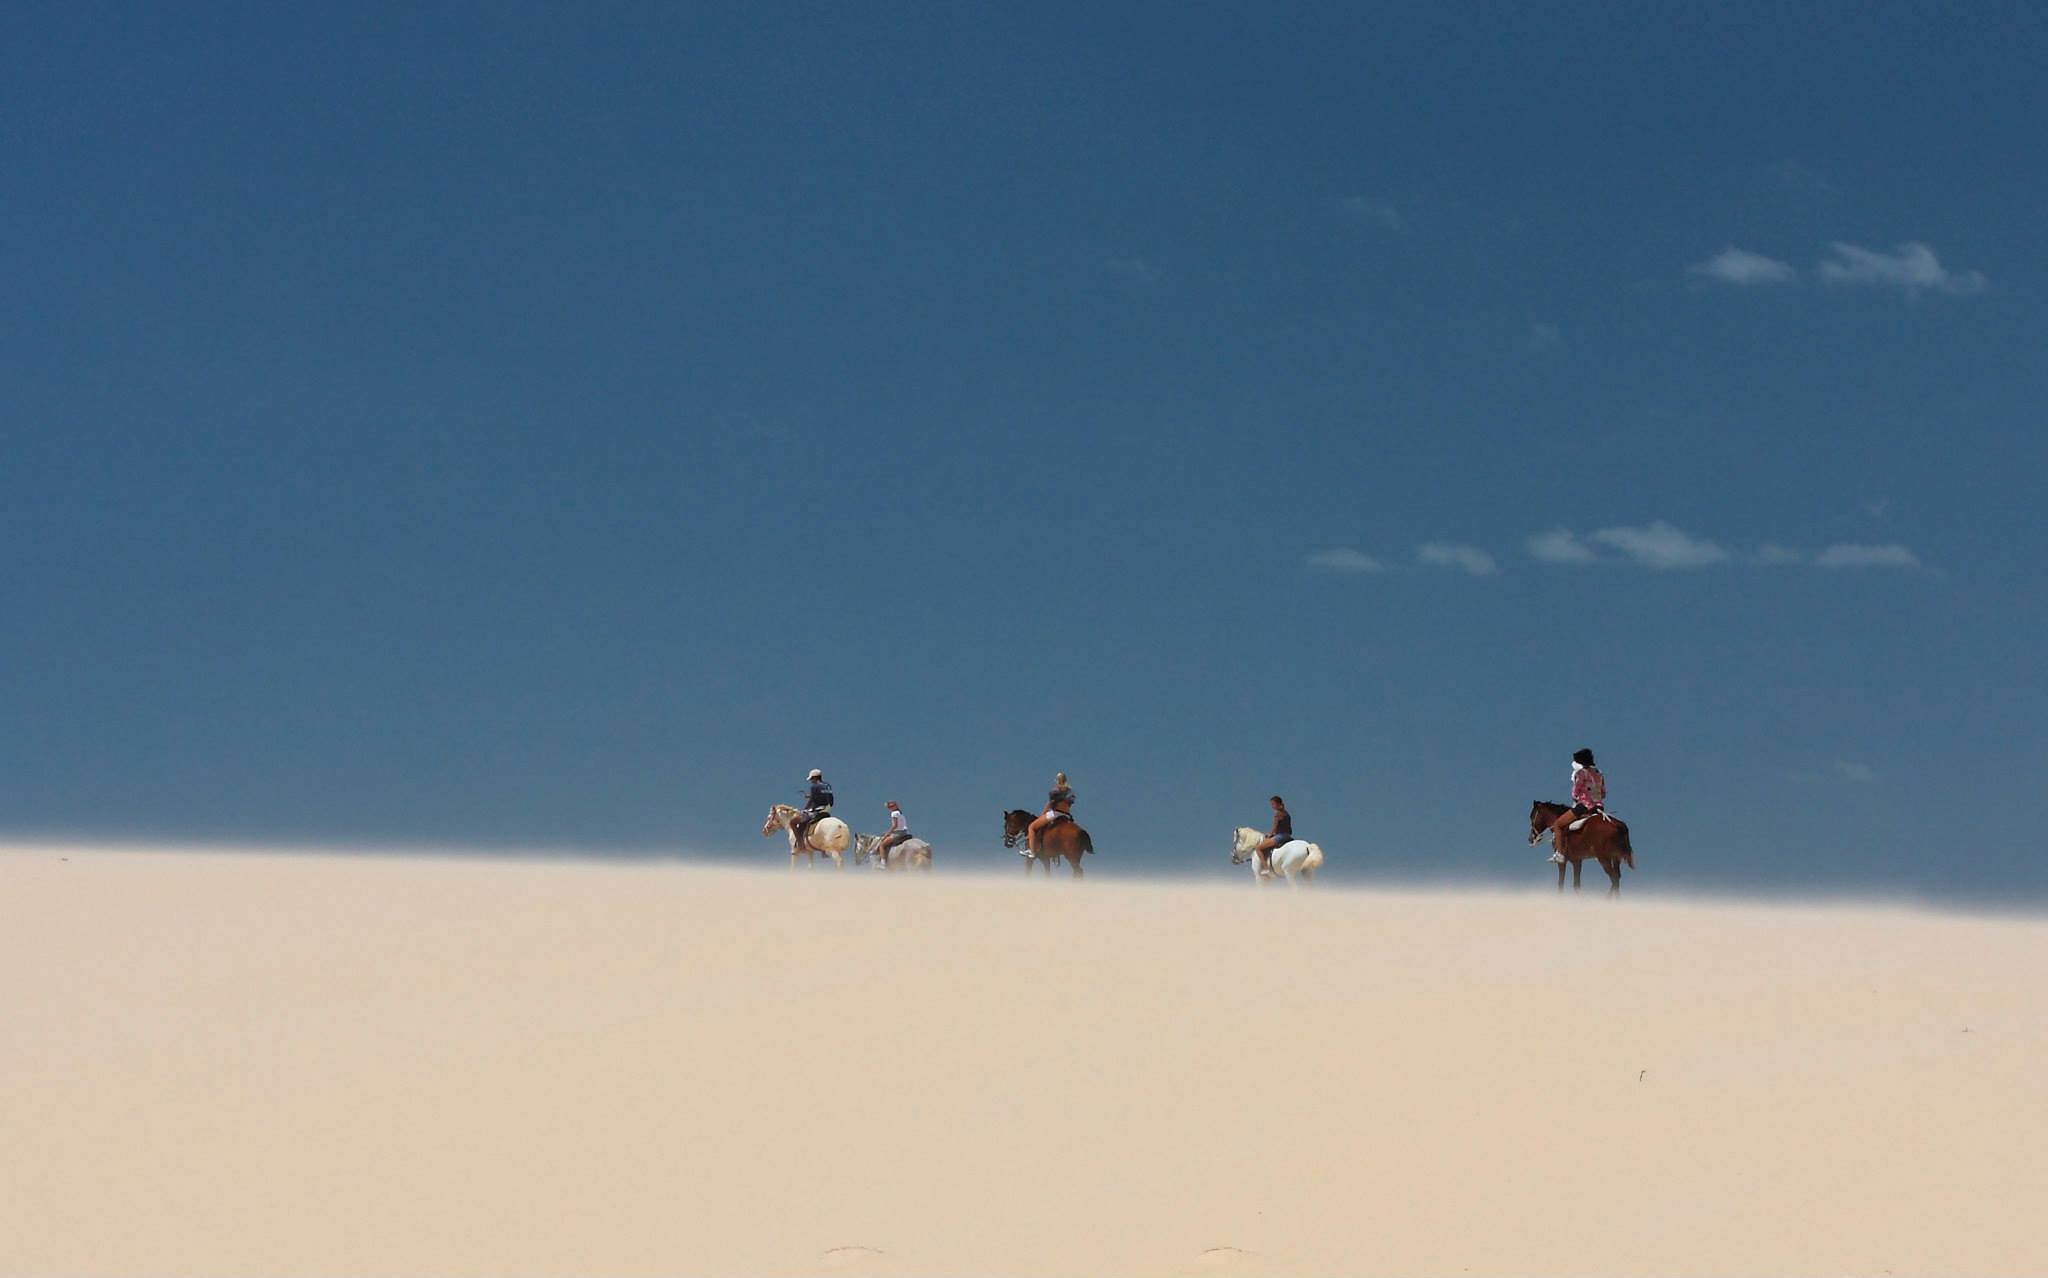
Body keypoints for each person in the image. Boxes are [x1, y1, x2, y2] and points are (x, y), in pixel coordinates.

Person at [1547, 748, 1606, 860]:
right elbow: (1603, 793)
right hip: (1599, 806)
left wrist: (1577, 797)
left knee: (1557, 825)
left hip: (1584, 806)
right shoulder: (1598, 773)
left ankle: (1560, 854)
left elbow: (1575, 793)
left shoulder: (1580, 773)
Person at [1024, 771, 1075, 856]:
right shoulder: (1070, 791)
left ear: (1056, 780)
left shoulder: (1055, 790)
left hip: (1055, 813)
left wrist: (1042, 815)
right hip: (1067, 815)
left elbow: (1050, 804)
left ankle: (1032, 851)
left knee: (1031, 827)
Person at [791, 768, 834, 851]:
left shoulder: (814, 786)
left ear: (815, 778)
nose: (811, 781)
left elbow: (812, 801)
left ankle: (800, 845)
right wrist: (810, 796)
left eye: (811, 779)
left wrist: (804, 810)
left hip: (817, 811)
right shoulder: (828, 785)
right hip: (827, 810)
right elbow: (828, 798)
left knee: (793, 822)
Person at [1253, 795, 1293, 876]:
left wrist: (1270, 834)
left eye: (1273, 804)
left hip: (1280, 836)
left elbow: (1274, 827)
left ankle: (1266, 868)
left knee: (1258, 848)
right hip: (1288, 836)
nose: (1272, 806)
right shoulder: (1286, 813)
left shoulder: (1277, 813)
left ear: (1278, 804)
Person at [876, 800, 912, 866]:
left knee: (881, 845)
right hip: (904, 832)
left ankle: (883, 864)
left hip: (898, 834)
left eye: (889, 807)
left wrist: (887, 833)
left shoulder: (894, 813)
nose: (889, 808)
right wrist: (888, 832)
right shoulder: (900, 813)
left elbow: (894, 826)